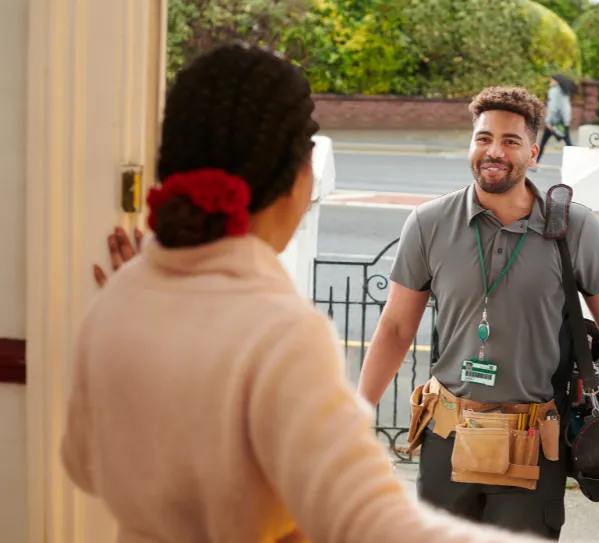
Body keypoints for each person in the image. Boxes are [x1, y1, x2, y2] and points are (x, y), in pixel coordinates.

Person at [61, 43, 557, 543]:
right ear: (298, 179)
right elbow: (369, 524)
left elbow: (81, 464)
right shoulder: (280, 335)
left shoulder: (121, 300)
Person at [356, 86, 599, 540]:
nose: (494, 151)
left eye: (510, 141)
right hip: (447, 439)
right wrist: (358, 410)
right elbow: (395, 328)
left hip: (533, 449)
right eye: (483, 138)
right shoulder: (429, 224)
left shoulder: (574, 228)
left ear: (532, 152)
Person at [536, 74, 576, 164]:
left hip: (553, 123)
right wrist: (567, 120)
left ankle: (535, 162)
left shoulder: (553, 91)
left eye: (552, 80)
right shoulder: (564, 92)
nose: (550, 82)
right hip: (562, 123)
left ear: (556, 81)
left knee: (542, 142)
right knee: (568, 143)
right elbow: (566, 107)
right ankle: (577, 161)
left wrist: (548, 122)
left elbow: (553, 108)